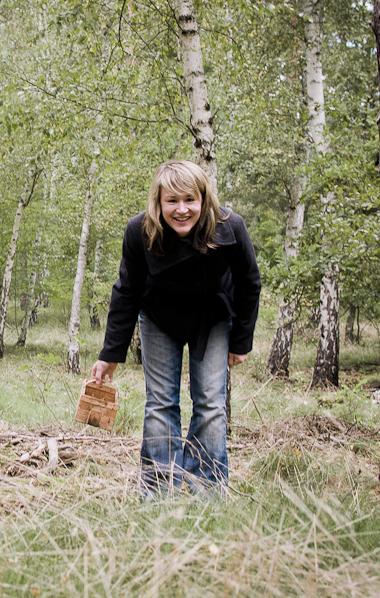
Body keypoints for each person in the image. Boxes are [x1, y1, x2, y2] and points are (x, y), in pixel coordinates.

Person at [90, 160, 261, 497]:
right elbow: (127, 292)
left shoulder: (230, 227)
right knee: (160, 404)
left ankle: (207, 491)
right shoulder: (140, 230)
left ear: (203, 199)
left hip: (211, 317)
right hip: (159, 318)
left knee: (211, 403)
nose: (181, 210)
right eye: (172, 201)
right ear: (159, 202)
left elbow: (249, 284)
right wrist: (110, 354)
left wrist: (240, 341)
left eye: (189, 200)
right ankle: (156, 492)